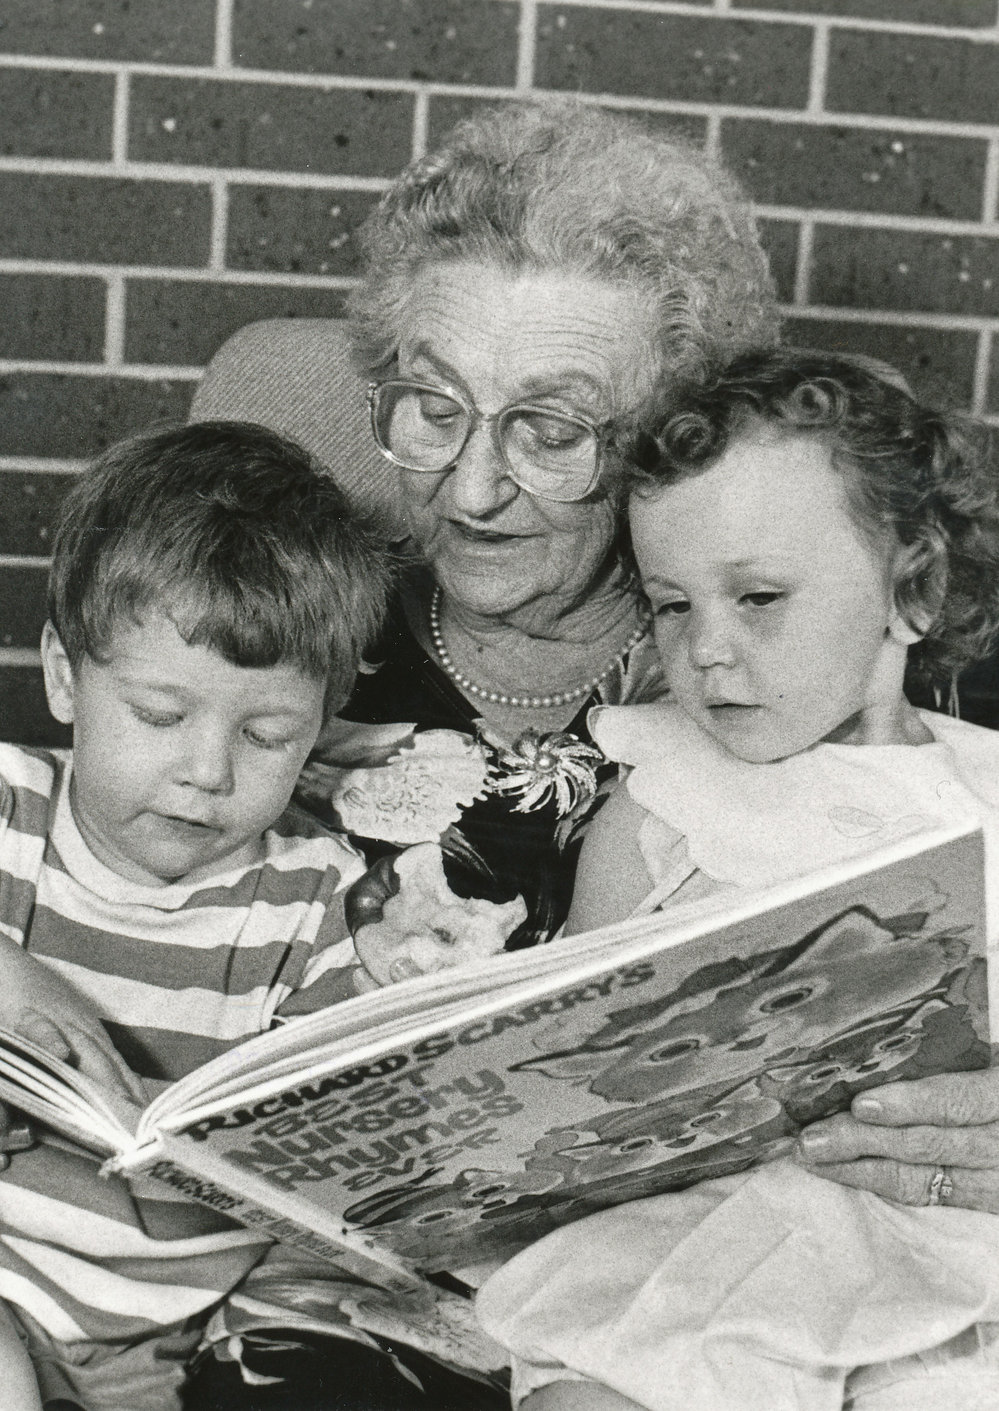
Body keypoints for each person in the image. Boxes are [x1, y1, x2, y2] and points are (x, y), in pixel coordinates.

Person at [181, 98, 782, 1411]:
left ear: (666, 437)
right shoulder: (289, 629)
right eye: (429, 407)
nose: (466, 487)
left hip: (643, 1303)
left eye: (552, 430)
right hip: (301, 1292)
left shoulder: (757, 672)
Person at [476, 348, 999, 1410]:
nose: (707, 650)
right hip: (675, 1251)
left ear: (916, 589)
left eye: (757, 597)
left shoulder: (981, 795)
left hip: (923, 1253)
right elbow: (565, 1045)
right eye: (672, 605)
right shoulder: (658, 798)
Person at [0, 420, 397, 1411]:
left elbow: (319, 1182)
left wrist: (176, 1153)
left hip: (177, 1341)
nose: (208, 771)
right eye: (162, 717)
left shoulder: (307, 902)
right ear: (63, 677)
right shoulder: (7, 812)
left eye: (268, 734)